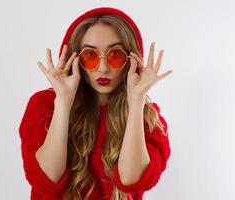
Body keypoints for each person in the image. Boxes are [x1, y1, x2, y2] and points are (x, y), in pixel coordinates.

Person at [19, 7, 173, 200]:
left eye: (115, 55)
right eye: (90, 55)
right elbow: (46, 179)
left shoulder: (148, 118)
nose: (102, 68)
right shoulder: (44, 105)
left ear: (131, 60)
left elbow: (131, 180)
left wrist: (136, 101)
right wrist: (64, 102)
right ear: (75, 59)